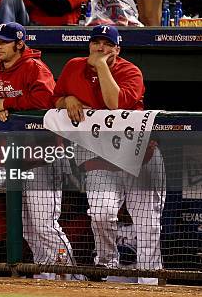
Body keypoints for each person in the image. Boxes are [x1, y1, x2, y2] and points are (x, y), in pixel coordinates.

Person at [53, 25, 165, 285]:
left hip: (140, 157)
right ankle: (106, 266)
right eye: (96, 43)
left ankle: (149, 281)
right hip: (99, 158)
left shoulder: (130, 71)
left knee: (147, 224)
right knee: (101, 213)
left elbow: (115, 104)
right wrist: (67, 98)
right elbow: (54, 99)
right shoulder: (73, 67)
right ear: (89, 45)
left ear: (117, 48)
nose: (100, 48)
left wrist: (102, 65)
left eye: (107, 44)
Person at [0, 23, 73, 278]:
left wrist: (5, 102)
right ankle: (46, 274)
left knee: (44, 224)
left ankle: (70, 275)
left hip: (43, 156)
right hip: (16, 159)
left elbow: (44, 101)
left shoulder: (34, 67)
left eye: (4, 42)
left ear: (19, 43)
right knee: (26, 227)